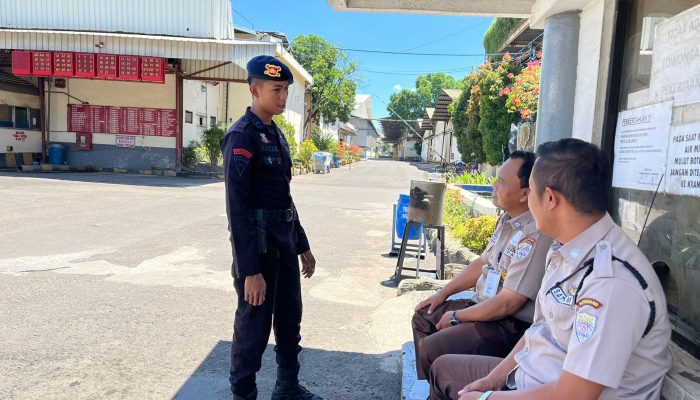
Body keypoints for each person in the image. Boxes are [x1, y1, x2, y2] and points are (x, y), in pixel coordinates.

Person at [429, 138, 673, 400]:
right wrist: (493, 379)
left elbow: (573, 395)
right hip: (528, 378)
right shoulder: (565, 250)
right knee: (444, 369)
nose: (527, 200)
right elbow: (540, 330)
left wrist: (487, 398)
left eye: (531, 191)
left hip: (555, 391)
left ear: (549, 198)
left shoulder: (612, 284)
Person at [221, 55, 322, 400]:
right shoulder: (242, 137)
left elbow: (284, 197)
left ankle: (287, 387)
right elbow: (238, 210)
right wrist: (250, 270)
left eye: (286, 90)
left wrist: (302, 245)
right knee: (254, 328)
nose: (283, 97)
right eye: (277, 89)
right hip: (259, 252)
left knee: (290, 319)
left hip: (283, 245)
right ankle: (243, 394)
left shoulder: (276, 134)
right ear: (255, 89)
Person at [412, 151, 553, 380]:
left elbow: (508, 303)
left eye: (502, 181)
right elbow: (482, 262)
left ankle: (442, 383)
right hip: (482, 305)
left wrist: (457, 316)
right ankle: (435, 386)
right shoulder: (506, 219)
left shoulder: (536, 235)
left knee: (433, 347)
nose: (494, 185)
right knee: (423, 316)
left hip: (508, 324)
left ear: (524, 193)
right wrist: (442, 293)